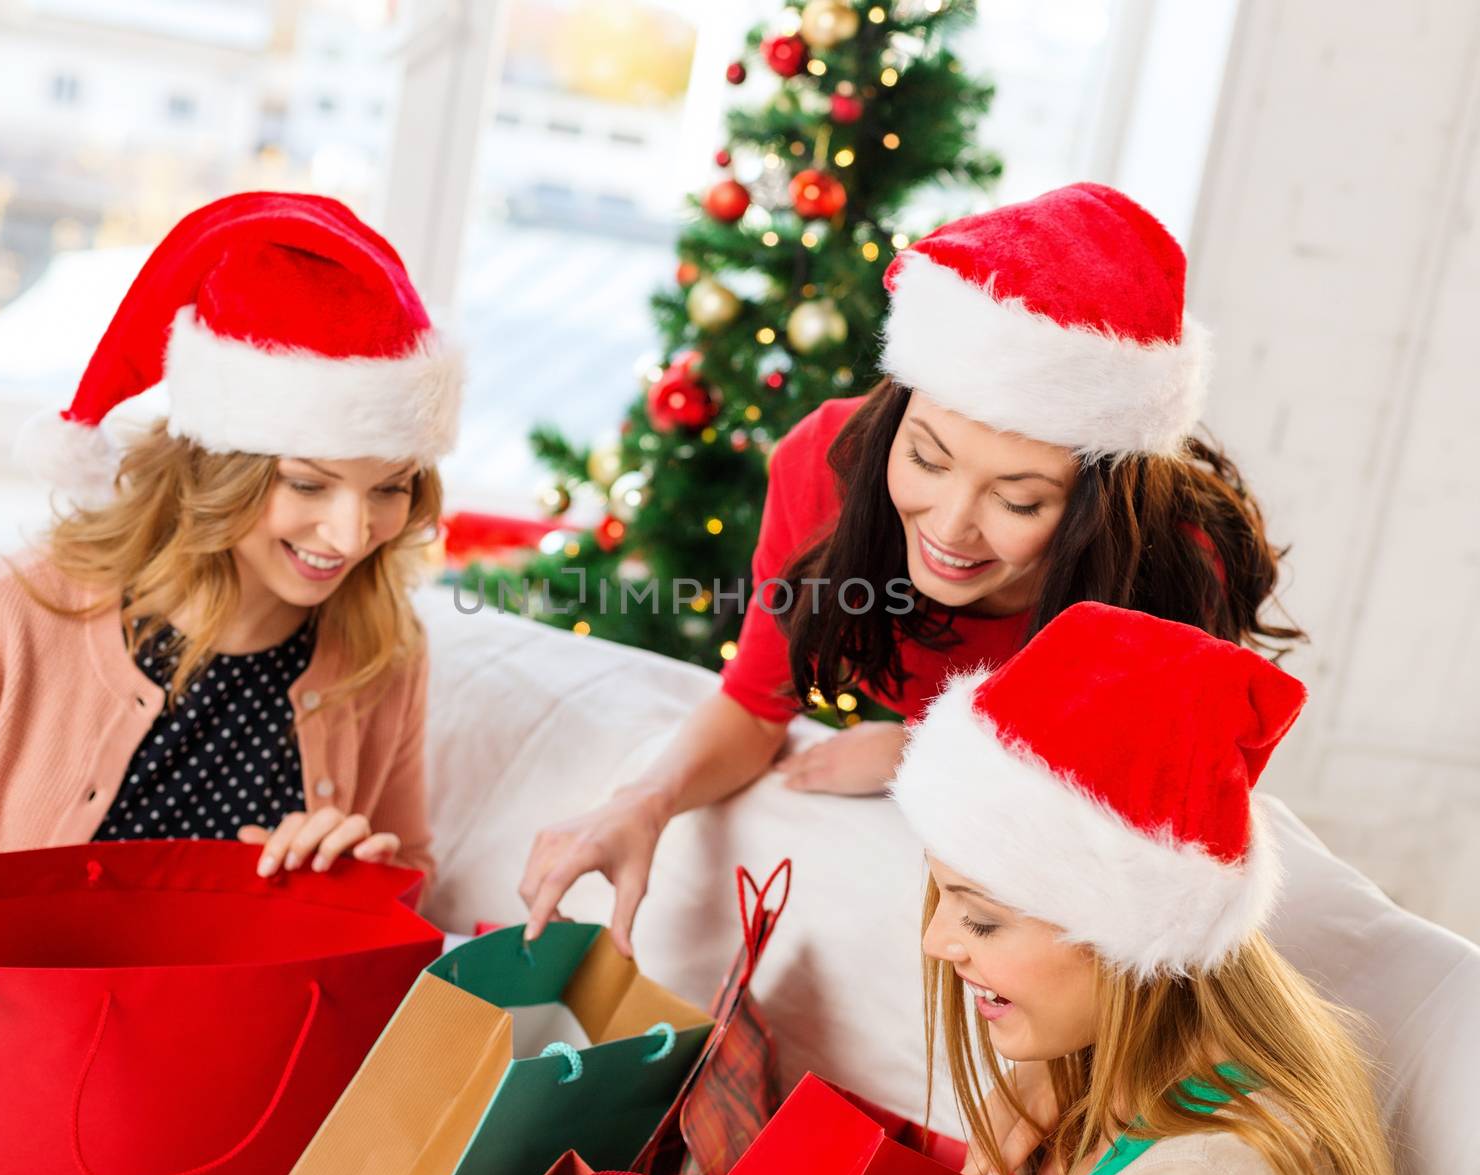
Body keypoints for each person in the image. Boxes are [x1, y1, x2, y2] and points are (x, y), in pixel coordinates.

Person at [519, 182, 1300, 955]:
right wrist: (643, 803)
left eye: (1020, 502)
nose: (952, 528)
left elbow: (1125, 839)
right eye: (926, 458)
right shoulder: (825, 469)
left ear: (1094, 510)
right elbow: (757, 706)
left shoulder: (1173, 569)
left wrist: (925, 751)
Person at [0, 192, 462, 1060]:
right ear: (211, 468)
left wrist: (356, 881)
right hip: (3, 1083)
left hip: (245, 1088)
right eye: (307, 484)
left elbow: (409, 895)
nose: (351, 535)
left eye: (390, 487)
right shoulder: (0, 621)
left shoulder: (382, 652)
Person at [893, 601, 1393, 1175]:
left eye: (982, 919)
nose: (935, 941)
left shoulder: (1212, 1169)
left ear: (1124, 934)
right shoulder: (1087, 1069)